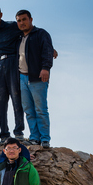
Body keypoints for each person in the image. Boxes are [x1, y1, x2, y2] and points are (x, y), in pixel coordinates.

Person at [0, 4, 24, 145]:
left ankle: (19, 132)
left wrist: (49, 48)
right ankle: (4, 135)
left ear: (1, 14)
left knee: (16, 98)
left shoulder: (13, 26)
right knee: (0, 102)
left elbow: (28, 33)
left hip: (13, 62)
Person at [16, 10, 54, 149]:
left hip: (37, 77)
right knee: (28, 110)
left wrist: (46, 68)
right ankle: (34, 138)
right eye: (19, 20)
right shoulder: (18, 36)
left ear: (31, 19)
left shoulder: (41, 34)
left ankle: (45, 139)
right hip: (22, 77)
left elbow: (47, 51)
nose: (21, 23)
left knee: (40, 109)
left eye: (24, 19)